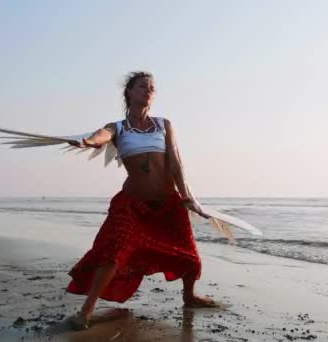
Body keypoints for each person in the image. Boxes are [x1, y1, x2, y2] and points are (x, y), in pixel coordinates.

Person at [66, 71, 217, 330]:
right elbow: (102, 134)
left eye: (152, 88)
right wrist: (90, 141)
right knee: (114, 254)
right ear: (130, 92)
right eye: (142, 86)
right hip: (133, 204)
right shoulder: (119, 127)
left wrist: (186, 196)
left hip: (168, 203)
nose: (149, 90)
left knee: (189, 254)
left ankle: (189, 296)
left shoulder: (164, 124)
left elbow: (176, 162)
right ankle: (86, 311)